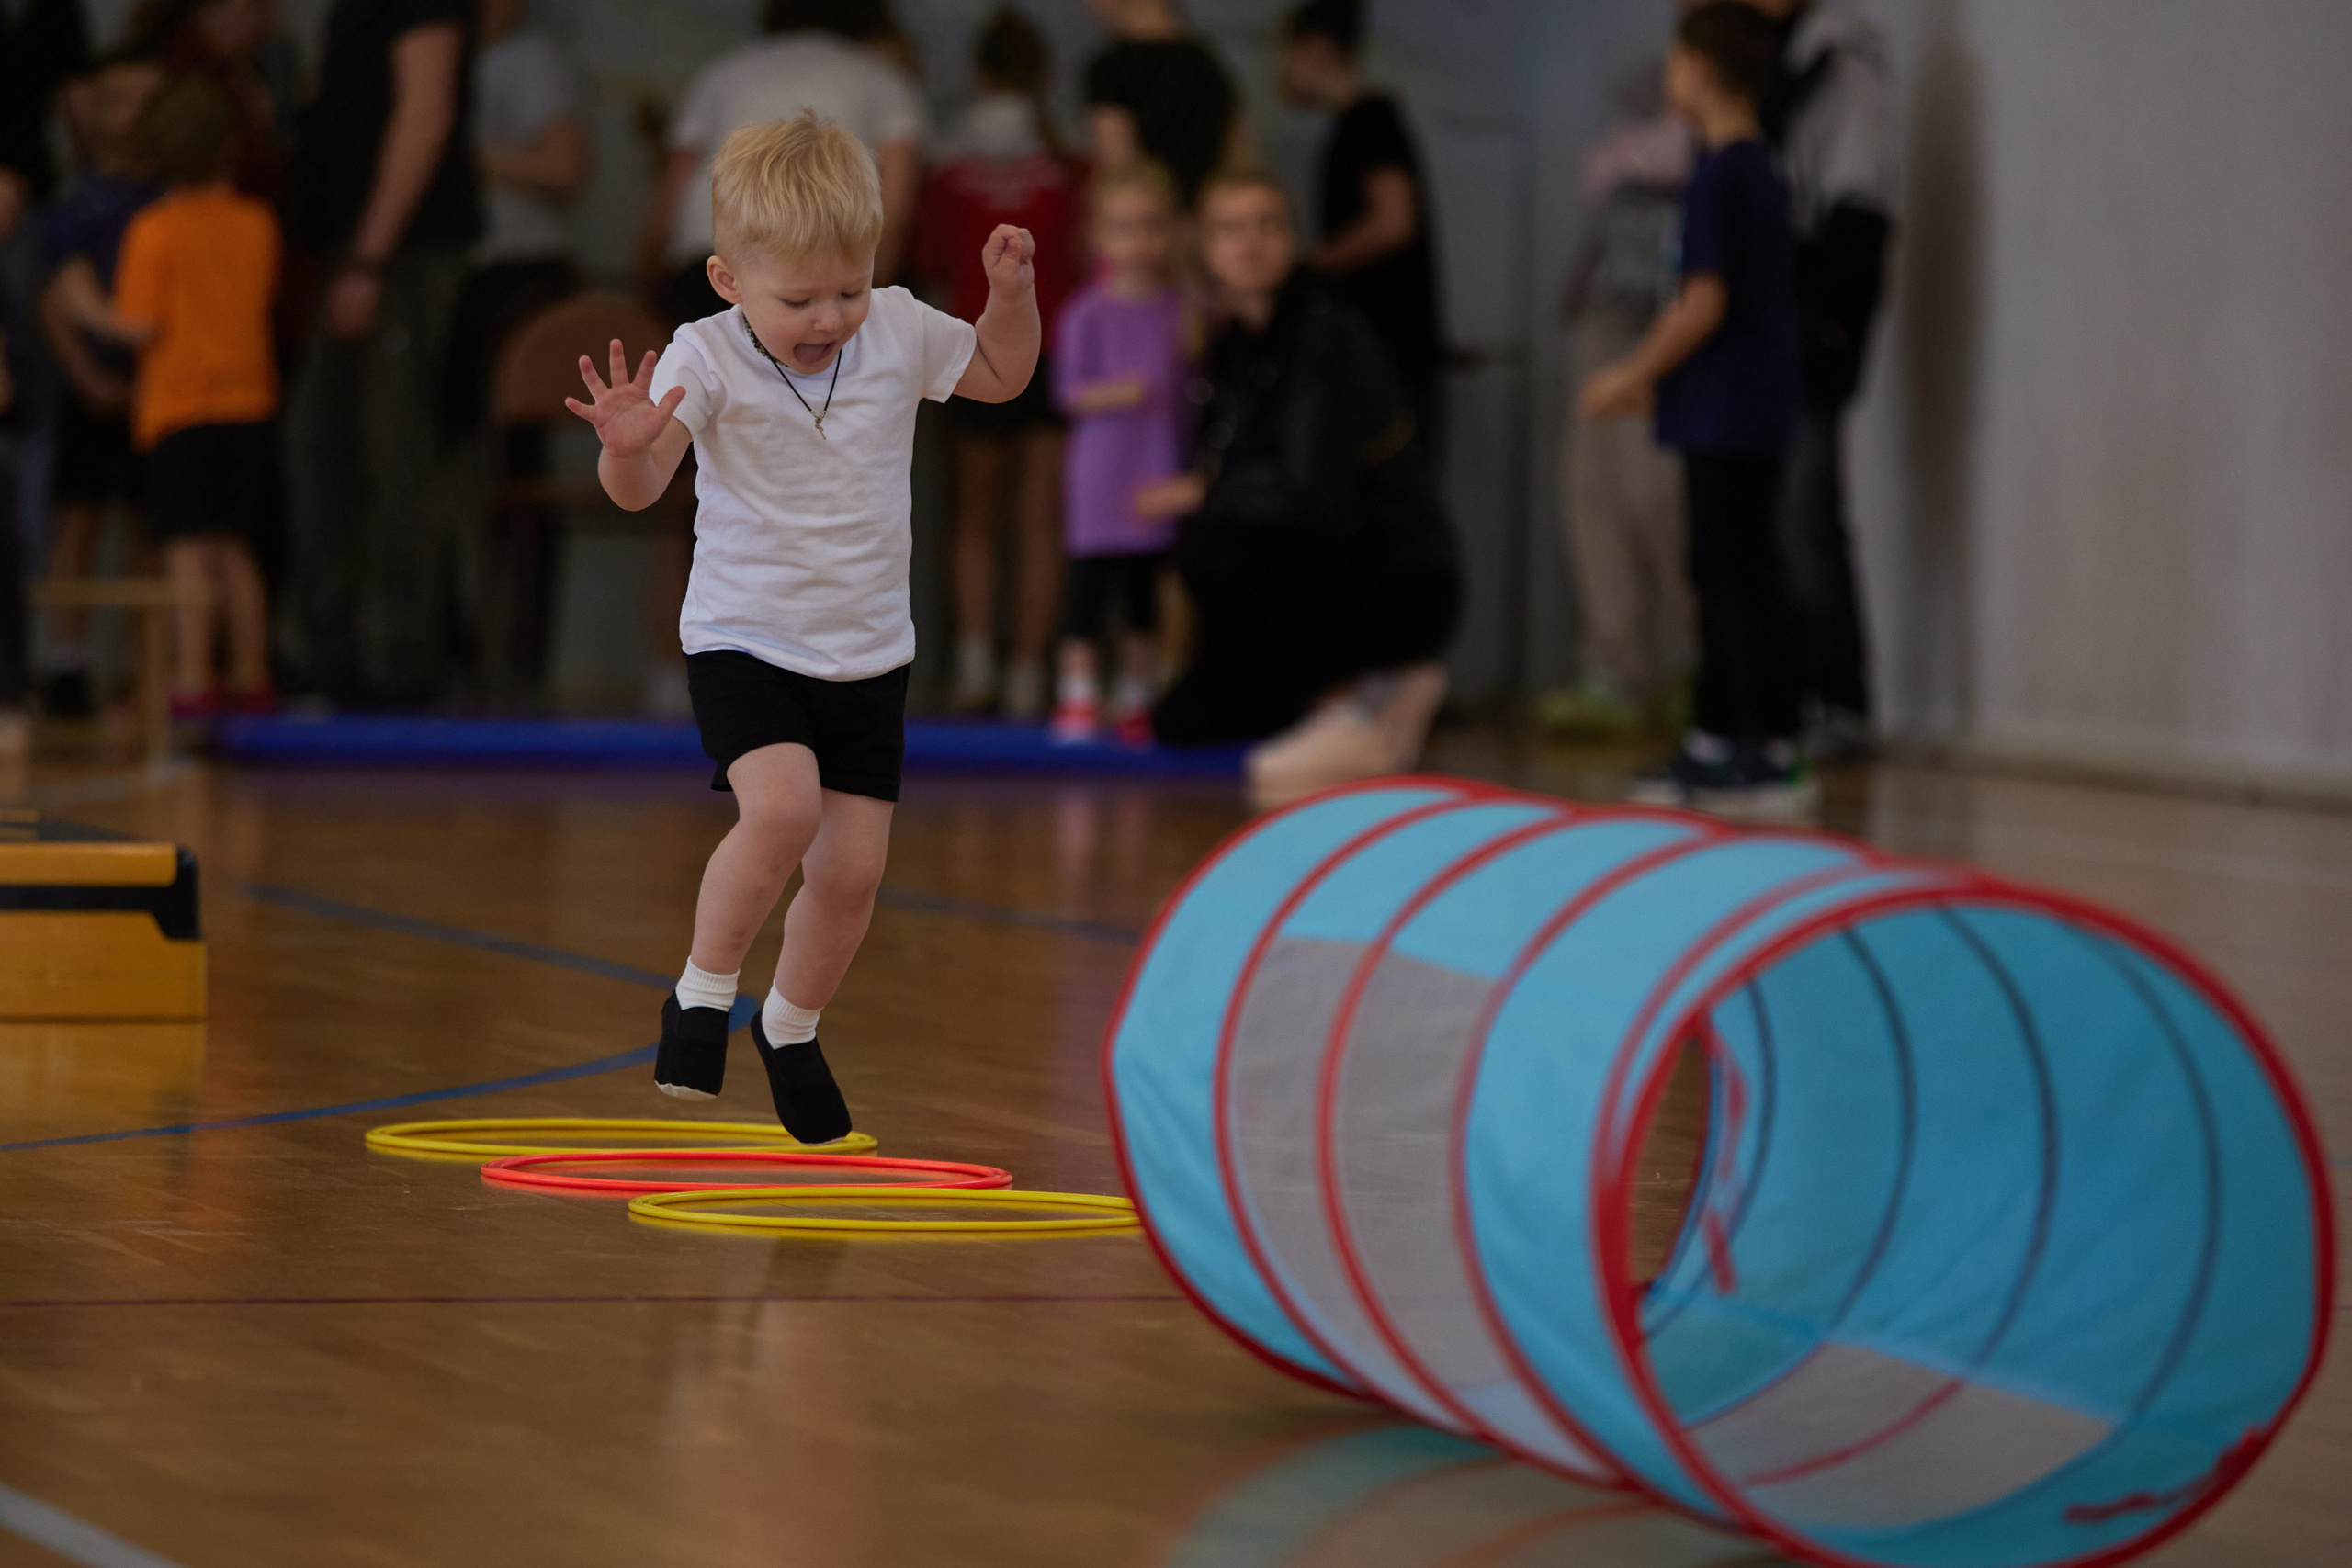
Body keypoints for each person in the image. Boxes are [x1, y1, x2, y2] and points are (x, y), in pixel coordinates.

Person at [564, 113, 1039, 1137]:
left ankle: (790, 1025)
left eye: (849, 290)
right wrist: (624, 445)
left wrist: (1010, 296)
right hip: (747, 637)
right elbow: (641, 491)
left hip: (869, 651)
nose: (829, 318)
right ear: (729, 280)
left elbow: (1003, 377)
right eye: (799, 299)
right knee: (779, 814)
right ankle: (700, 992)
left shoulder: (903, 327)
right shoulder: (708, 353)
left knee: (853, 873)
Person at [1150, 172, 1456, 808]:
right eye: (1231, 228)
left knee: (1217, 541)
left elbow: (1313, 493)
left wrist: (1204, 496)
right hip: (1306, 562)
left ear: (1292, 238)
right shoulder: (1233, 343)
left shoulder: (1325, 333)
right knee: (1183, 722)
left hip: (1390, 576)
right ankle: (1309, 698)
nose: (1252, 242)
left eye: (1268, 224)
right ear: (1205, 248)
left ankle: (1369, 698)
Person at [1581, 2, 1806, 818]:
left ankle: (1757, 744)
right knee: (1732, 568)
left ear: (1703, 70)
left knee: (1730, 573)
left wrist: (1631, 371)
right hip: (1743, 407)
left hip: (1728, 411)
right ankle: (1725, 735)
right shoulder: (1759, 166)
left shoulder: (1722, 172)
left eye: (1676, 64)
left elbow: (1702, 302)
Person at [58, 73, 278, 716]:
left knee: (184, 548)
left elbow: (139, 324)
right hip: (248, 406)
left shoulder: (154, 230)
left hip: (180, 410)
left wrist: (80, 301)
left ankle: (190, 679)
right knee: (236, 548)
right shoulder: (257, 224)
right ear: (229, 149)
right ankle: (250, 673)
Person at [283, 0, 481, 705]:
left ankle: (401, 657)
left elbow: (425, 114)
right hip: (353, 243)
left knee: (391, 444)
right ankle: (331, 648)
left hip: (404, 249)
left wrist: (371, 255)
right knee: (321, 442)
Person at [915, 6, 1085, 720]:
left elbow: (923, 258)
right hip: (1052, 352)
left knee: (974, 521)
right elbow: (1082, 262)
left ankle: (976, 668)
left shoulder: (949, 167)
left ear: (978, 75)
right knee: (1039, 522)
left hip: (973, 350)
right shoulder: (1070, 165)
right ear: (1043, 77)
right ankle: (1026, 677)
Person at [1747, 0, 1896, 760]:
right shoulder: (1772, 66)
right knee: (1773, 516)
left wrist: (1832, 323)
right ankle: (1789, 696)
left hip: (1816, 314)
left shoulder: (1842, 66)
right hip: (1774, 315)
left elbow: (1858, 203)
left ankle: (1839, 698)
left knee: (1805, 512)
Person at [1544, 62, 1694, 739]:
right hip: (1604, 326)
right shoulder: (1632, 113)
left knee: (1660, 499)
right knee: (1590, 493)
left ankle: (1700, 665)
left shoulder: (1720, 141)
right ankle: (1613, 668)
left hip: (1660, 332)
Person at [640, 0, 925, 326]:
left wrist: (648, 283)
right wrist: (870, 301)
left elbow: (672, 190)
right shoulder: (884, 81)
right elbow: (894, 209)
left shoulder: (723, 71)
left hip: (708, 265)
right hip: (824, 273)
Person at [38, 50, 164, 719]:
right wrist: (87, 375)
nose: (133, 116)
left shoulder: (174, 201)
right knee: (79, 520)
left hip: (161, 393)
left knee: (151, 528)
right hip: (91, 386)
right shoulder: (79, 202)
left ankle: (141, 671)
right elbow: (55, 301)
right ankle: (67, 662)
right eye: (118, 99)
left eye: (149, 100)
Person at [1048, 162, 1190, 745]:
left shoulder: (1186, 310)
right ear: (1100, 236)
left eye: (1150, 226)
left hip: (1157, 474)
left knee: (1141, 597)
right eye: (1123, 227)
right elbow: (1066, 391)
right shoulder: (1086, 312)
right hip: (1100, 476)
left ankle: (1136, 698)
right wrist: (1118, 392)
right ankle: (1078, 697)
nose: (1138, 241)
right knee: (1087, 591)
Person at [1275, 0, 1444, 440]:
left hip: (1387, 351)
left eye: (1283, 55)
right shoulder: (1352, 123)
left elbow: (1393, 221)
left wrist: (1305, 267)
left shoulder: (1370, 119)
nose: (1279, 71)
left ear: (1314, 50)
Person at [1081, 0, 1238, 209]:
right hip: (1207, 219)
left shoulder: (1111, 71)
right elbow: (1238, 164)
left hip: (1148, 223)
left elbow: (1120, 171)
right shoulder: (1210, 64)